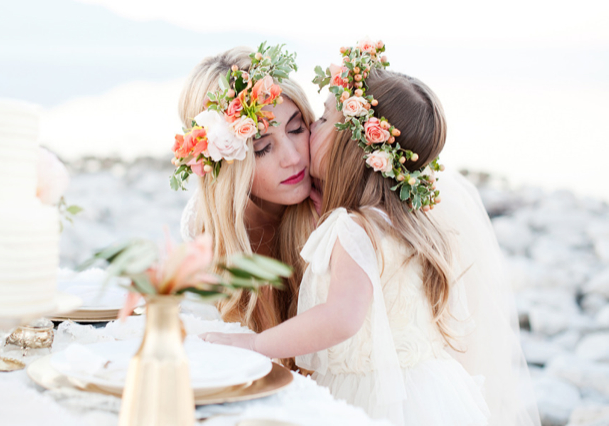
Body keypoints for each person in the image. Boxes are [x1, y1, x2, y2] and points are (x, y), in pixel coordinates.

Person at [201, 40, 541, 425]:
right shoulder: (387, 219)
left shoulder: (353, 224)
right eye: (262, 147)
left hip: (378, 395)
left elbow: (342, 316)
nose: (295, 156)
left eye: (303, 127)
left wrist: (257, 345)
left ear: (352, 147)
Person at [175, 44, 317, 368]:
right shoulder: (207, 237)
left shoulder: (334, 210)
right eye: (263, 148)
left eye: (296, 128)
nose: (294, 158)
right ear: (227, 165)